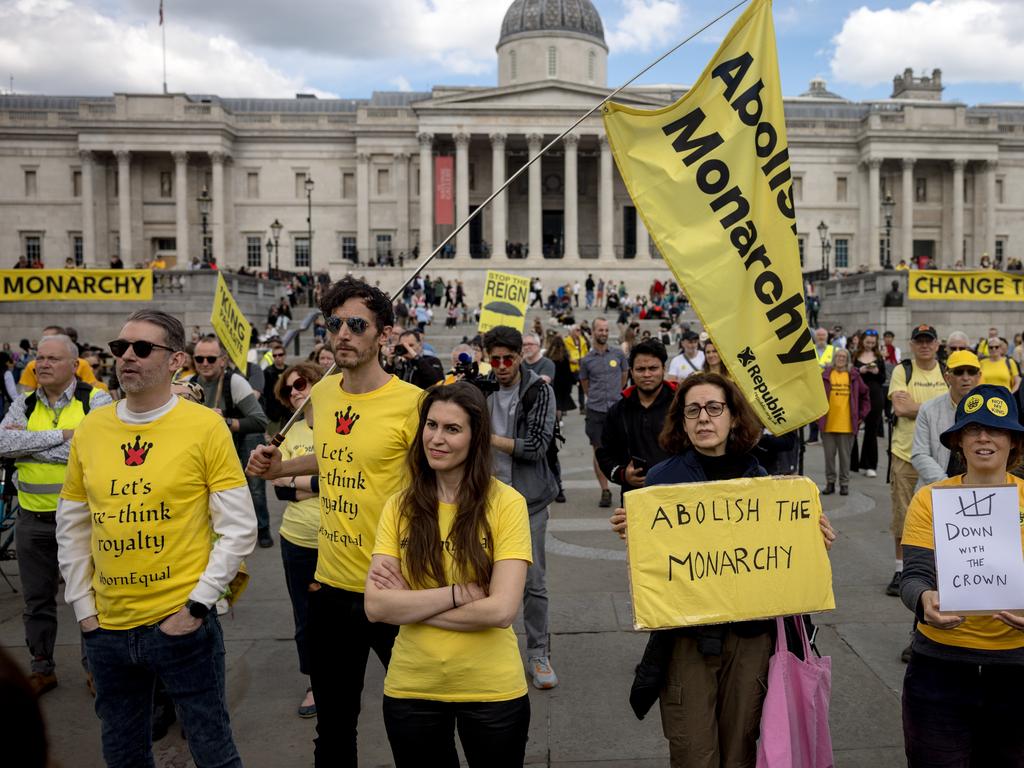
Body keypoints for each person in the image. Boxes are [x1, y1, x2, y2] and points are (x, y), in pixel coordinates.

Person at [56, 309, 256, 767]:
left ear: (175, 361)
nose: (127, 356)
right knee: (123, 753)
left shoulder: (205, 426)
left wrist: (196, 607)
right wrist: (85, 611)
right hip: (106, 629)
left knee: (213, 750)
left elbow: (239, 526)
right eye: (119, 348)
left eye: (142, 348)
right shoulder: (92, 428)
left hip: (181, 624)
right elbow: (73, 524)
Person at [608, 372, 836, 767]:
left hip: (750, 638)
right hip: (687, 636)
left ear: (733, 417)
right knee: (694, 752)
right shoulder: (661, 482)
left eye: (714, 408)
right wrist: (637, 536)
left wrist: (812, 540)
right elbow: (657, 568)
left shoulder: (763, 481)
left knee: (740, 749)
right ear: (681, 420)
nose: (703, 418)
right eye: (692, 410)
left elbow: (779, 557)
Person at [247, 276, 422, 766]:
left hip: (395, 586)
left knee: (415, 724)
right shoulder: (321, 396)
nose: (342, 333)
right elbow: (334, 455)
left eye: (356, 324)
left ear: (384, 334)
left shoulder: (413, 403)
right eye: (334, 323)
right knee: (334, 730)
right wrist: (281, 467)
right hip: (330, 586)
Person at [364, 383, 532, 767]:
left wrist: (410, 603)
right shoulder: (399, 506)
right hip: (412, 688)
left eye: (452, 429)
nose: (436, 439)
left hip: (492, 691)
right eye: (431, 425)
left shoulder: (507, 504)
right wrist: (460, 594)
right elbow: (375, 607)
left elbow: (501, 611)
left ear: (476, 438)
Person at [899, 383, 1024, 765]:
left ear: (1013, 441)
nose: (983, 437)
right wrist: (923, 600)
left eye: (995, 428)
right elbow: (914, 576)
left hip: (1016, 671)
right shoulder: (930, 498)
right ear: (958, 442)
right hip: (939, 670)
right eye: (972, 429)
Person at [0, 335, 111, 695]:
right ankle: (42, 667)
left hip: (83, 520)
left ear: (74, 365)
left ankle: (95, 669)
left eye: (50, 358)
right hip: (32, 520)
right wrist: (63, 436)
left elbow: (95, 451)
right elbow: (3, 444)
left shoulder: (96, 400)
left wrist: (30, 446)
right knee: (37, 601)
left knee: (89, 597)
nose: (40, 364)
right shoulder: (24, 402)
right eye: (37, 359)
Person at [483, 326, 560, 690]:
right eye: (494, 359)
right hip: (485, 497)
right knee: (480, 577)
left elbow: (536, 446)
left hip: (528, 499)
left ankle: (539, 652)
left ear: (519, 356)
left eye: (507, 359)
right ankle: (488, 648)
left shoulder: (539, 390)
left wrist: (488, 437)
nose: (500, 366)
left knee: (533, 582)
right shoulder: (481, 389)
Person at [270, 362, 324, 718]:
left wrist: (297, 481)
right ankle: (316, 684)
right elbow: (279, 489)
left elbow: (347, 474)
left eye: (301, 384)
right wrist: (316, 481)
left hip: (343, 538)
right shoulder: (287, 436)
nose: (296, 392)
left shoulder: (339, 427)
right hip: (298, 540)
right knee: (306, 618)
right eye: (288, 390)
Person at [191, 335, 273, 548]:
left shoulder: (235, 382)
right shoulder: (189, 385)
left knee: (254, 488)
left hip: (242, 441)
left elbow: (259, 421)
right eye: (199, 359)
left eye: (211, 358)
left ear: (222, 360)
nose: (205, 364)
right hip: (208, 447)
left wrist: (225, 421)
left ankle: (262, 529)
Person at [887, 324, 948, 597]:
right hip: (905, 453)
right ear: (911, 344)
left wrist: (917, 407)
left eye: (929, 341)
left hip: (943, 455)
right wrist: (937, 407)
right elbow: (900, 407)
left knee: (942, 514)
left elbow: (953, 405)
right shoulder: (903, 370)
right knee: (903, 515)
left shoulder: (946, 371)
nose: (924, 345)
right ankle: (901, 569)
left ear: (937, 345)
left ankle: (942, 567)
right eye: (919, 341)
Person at [595, 339, 674, 501]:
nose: (647, 374)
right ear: (631, 371)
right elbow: (604, 453)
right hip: (635, 498)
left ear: (663, 369)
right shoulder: (618, 410)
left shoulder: (682, 406)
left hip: (677, 497)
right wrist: (623, 474)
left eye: (653, 368)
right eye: (640, 369)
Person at [579, 318, 628, 508]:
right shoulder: (586, 360)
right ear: (593, 332)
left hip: (617, 409)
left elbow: (624, 376)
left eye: (606, 329)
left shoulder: (618, 354)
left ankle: (625, 482)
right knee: (599, 450)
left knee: (624, 448)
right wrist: (595, 397)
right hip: (596, 410)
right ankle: (605, 489)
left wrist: (616, 393)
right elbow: (585, 384)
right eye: (600, 329)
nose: (604, 333)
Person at [817, 348, 870, 496]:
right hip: (828, 425)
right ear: (834, 358)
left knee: (845, 459)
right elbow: (816, 396)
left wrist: (861, 415)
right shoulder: (826, 375)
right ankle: (830, 483)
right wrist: (817, 417)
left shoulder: (853, 375)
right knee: (829, 458)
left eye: (844, 356)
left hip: (847, 425)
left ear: (847, 359)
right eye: (838, 356)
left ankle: (844, 484)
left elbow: (865, 395)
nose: (841, 358)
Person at [18, 325, 102, 393]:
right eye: (43, 339)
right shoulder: (33, 365)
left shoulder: (81, 364)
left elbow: (92, 389)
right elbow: (27, 395)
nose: (44, 365)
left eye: (51, 339)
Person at [852, 329, 886, 477]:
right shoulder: (854, 355)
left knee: (872, 430)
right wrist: (861, 370)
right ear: (862, 341)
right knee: (853, 428)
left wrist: (876, 371)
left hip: (875, 395)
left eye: (873, 343)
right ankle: (852, 464)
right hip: (857, 395)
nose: (870, 345)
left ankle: (870, 465)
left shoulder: (879, 357)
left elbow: (883, 378)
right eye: (867, 342)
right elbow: (849, 373)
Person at [563, 325, 588, 411]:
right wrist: (569, 359)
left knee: (581, 388)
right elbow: (564, 353)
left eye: (579, 330)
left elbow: (586, 352)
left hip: (580, 367)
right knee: (567, 388)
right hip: (570, 368)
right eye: (577, 330)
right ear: (572, 331)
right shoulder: (566, 341)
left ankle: (582, 408)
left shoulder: (583, 340)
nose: (579, 332)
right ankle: (564, 408)